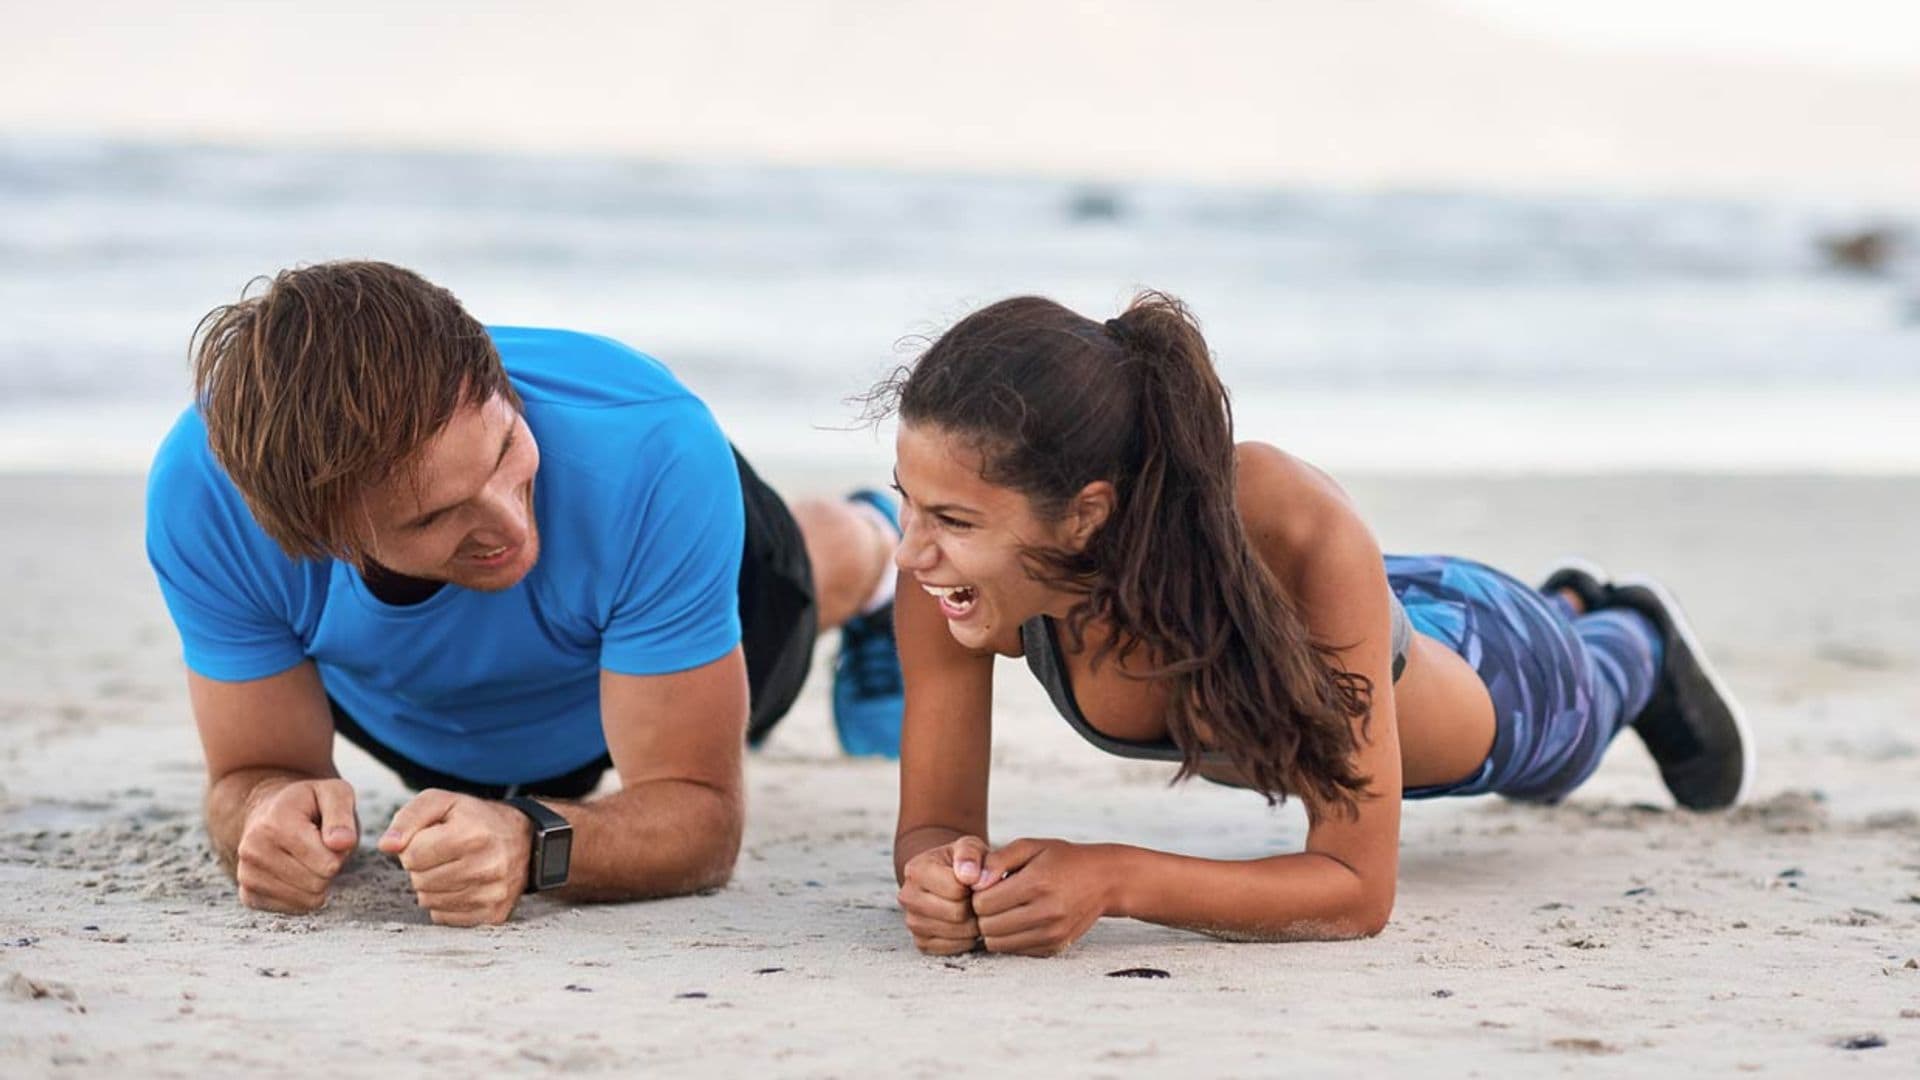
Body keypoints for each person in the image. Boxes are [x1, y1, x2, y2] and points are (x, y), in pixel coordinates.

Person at [885, 292, 1749, 956]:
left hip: (1499, 670)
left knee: (1582, 717)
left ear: (1084, 515)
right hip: (1356, 607)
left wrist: (1112, 877)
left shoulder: (1287, 521)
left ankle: (1632, 631)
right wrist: (939, 876)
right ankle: (1574, 607)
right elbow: (932, 823)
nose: (911, 551)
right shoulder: (957, 582)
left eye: (954, 522)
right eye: (906, 504)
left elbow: (1355, 889)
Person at [145, 260, 905, 926]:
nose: (510, 524)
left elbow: (701, 816)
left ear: (499, 384)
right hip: (418, 704)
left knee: (811, 566)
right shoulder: (206, 500)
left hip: (645, 587)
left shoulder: (651, 448)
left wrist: (530, 842)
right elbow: (250, 775)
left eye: (505, 447)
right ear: (318, 533)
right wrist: (265, 817)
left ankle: (879, 544)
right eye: (435, 515)